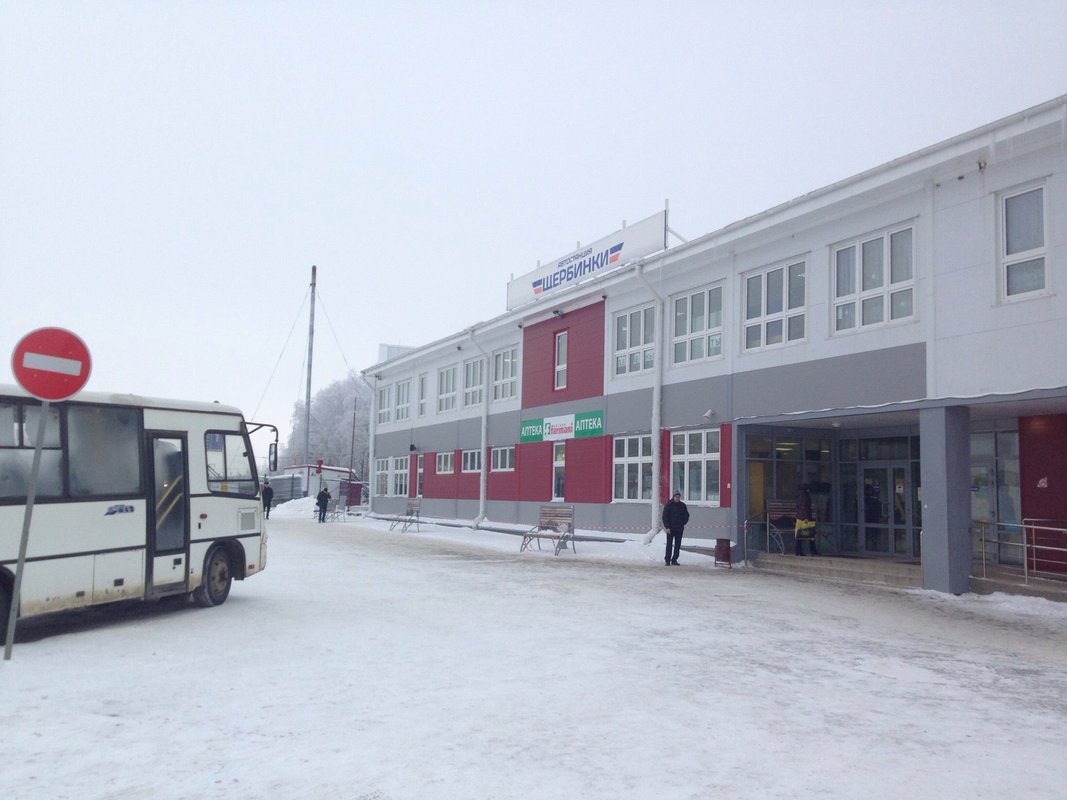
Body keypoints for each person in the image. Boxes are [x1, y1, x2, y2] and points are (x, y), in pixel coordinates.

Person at [661, 490, 689, 566]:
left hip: (679, 529)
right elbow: (665, 517)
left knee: (677, 545)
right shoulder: (669, 505)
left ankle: (674, 559)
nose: (677, 498)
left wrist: (683, 523)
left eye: (678, 497)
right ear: (673, 497)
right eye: (676, 497)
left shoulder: (682, 505)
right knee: (669, 544)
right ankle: (667, 560)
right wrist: (667, 527)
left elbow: (686, 516)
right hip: (670, 529)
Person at [794, 483, 819, 556]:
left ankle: (798, 551)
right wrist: (806, 518)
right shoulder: (805, 497)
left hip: (799, 519)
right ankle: (813, 550)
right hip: (805, 519)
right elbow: (804, 508)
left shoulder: (799, 496)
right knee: (811, 535)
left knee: (800, 536)